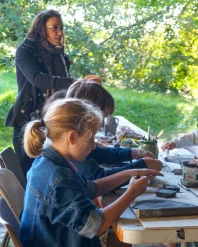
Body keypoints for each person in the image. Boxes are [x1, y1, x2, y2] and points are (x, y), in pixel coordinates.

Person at [20, 98, 163, 247]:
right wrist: (132, 193)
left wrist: (130, 173)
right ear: (72, 137)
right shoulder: (60, 179)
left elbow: (92, 188)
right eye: (91, 139)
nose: (94, 146)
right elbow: (96, 226)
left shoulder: (46, 162)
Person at [4, 9, 74, 177]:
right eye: (55, 28)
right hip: (28, 120)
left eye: (61, 28)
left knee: (51, 172)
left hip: (53, 117)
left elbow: (63, 85)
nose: (60, 32)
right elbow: (37, 79)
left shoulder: (59, 53)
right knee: (29, 174)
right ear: (42, 28)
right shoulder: (24, 50)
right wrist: (76, 82)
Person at [64, 79, 162, 180]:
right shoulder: (74, 142)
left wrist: (132, 152)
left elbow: (98, 153)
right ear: (88, 113)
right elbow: (98, 178)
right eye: (103, 116)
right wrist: (140, 167)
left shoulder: (73, 133)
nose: (102, 125)